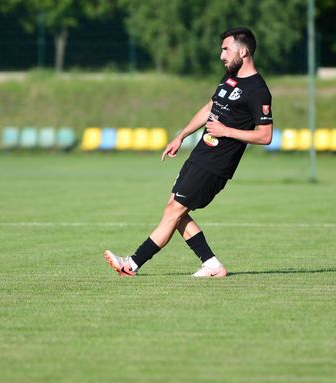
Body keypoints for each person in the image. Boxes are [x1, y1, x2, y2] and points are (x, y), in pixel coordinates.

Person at [103, 27, 273, 278]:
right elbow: (210, 108)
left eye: (226, 50)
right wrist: (181, 136)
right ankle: (212, 265)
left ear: (244, 51)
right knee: (175, 210)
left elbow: (265, 135)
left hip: (216, 164)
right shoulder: (229, 77)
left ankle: (131, 264)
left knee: (174, 211)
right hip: (200, 155)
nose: (221, 56)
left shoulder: (258, 90)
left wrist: (226, 131)